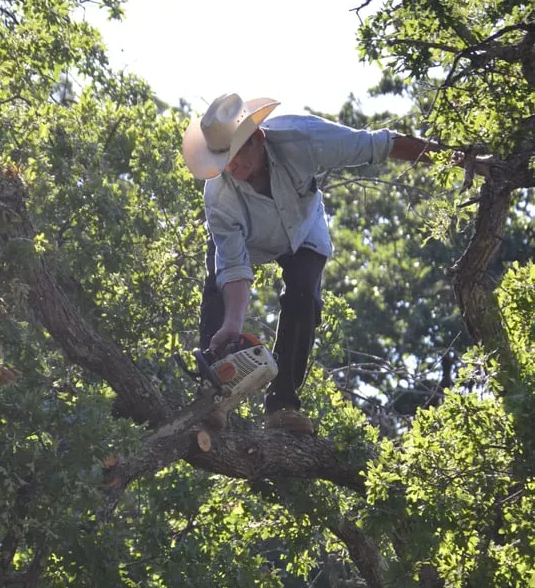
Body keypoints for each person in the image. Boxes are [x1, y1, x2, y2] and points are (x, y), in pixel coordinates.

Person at [182, 93, 461, 435]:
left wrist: (456, 159)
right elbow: (234, 267)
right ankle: (214, 398)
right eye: (224, 160)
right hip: (250, 240)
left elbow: (379, 144)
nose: (232, 168)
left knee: (303, 296)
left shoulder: (303, 138)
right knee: (218, 291)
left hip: (303, 231)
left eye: (237, 156)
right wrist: (233, 325)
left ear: (258, 139)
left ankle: (282, 405)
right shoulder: (219, 195)